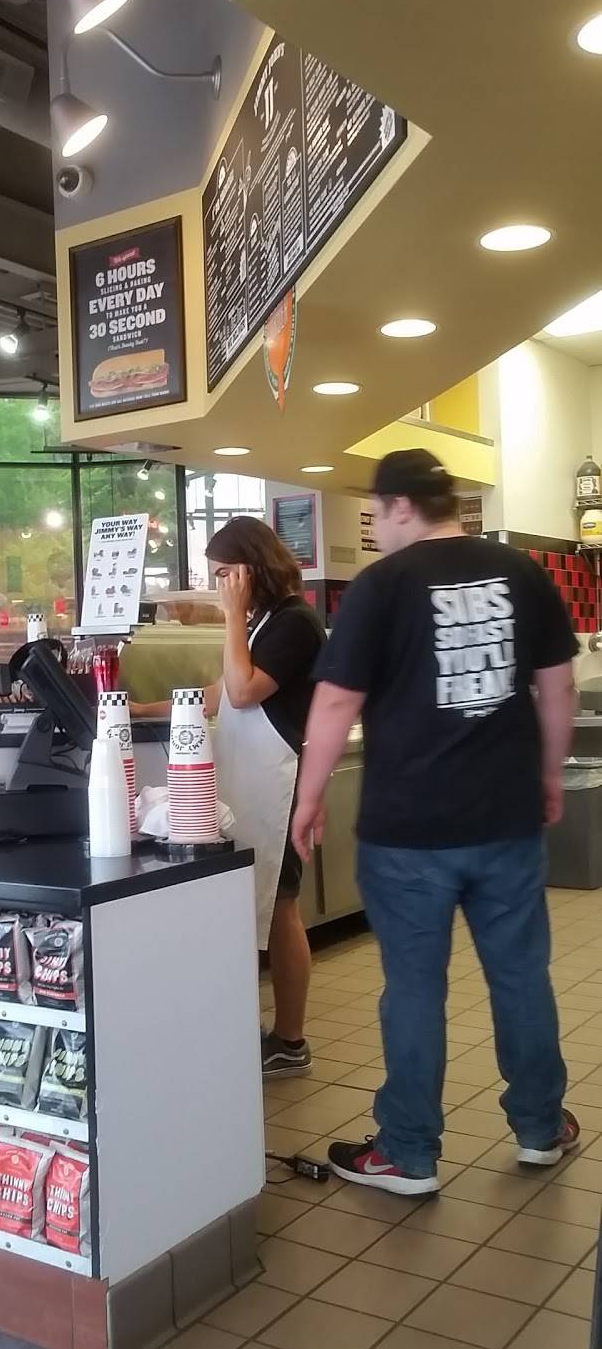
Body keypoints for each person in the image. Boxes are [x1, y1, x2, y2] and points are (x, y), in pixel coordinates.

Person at [292, 449, 579, 1195]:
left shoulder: (381, 585)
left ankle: (408, 1153)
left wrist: (309, 796)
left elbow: (336, 701)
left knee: (415, 988)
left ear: (399, 506)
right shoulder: (521, 573)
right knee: (521, 976)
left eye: (375, 511)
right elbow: (558, 687)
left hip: (407, 830)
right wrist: (549, 774)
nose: (375, 524)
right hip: (506, 819)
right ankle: (540, 1128)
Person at [140, 516, 324, 1074]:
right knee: (260, 907)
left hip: (280, 784)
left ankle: (290, 1040)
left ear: (251, 567)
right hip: (252, 780)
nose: (220, 585)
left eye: (225, 574)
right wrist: (140, 708)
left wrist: (232, 616)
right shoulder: (264, 622)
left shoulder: (293, 622)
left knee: (282, 907)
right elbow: (219, 692)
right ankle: (264, 1030)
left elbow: (243, 693)